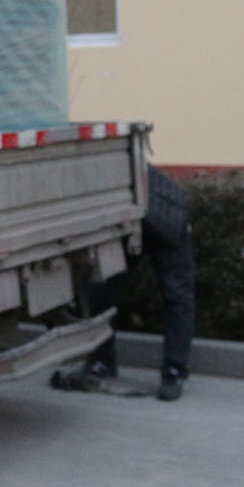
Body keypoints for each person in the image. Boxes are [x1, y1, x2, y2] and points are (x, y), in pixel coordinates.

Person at [58, 163, 196, 401]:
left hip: (165, 221)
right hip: (130, 223)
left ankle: (174, 372)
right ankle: (102, 362)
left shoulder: (114, 172)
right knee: (101, 288)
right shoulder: (100, 175)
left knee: (177, 296)